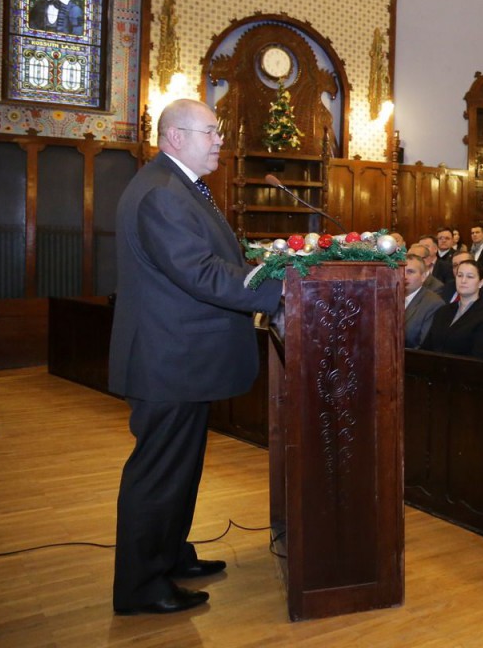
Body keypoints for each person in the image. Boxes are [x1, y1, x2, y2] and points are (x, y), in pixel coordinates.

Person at [110, 99, 283, 615]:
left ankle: (169, 557)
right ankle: (141, 587)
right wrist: (279, 289)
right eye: (210, 131)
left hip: (182, 357)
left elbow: (213, 261)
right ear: (175, 136)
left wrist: (265, 269)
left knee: (179, 472)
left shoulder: (177, 186)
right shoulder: (162, 193)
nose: (219, 140)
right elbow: (201, 273)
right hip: (169, 360)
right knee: (159, 475)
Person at [421, 260, 483, 359]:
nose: (463, 280)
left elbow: (481, 357)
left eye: (470, 277)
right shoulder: (443, 311)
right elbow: (426, 348)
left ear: (480, 283)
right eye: (459, 275)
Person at [405, 253, 445, 348]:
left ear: (423, 277)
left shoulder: (434, 303)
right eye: (400, 270)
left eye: (410, 272)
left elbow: (423, 346)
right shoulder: (387, 297)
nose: (404, 276)